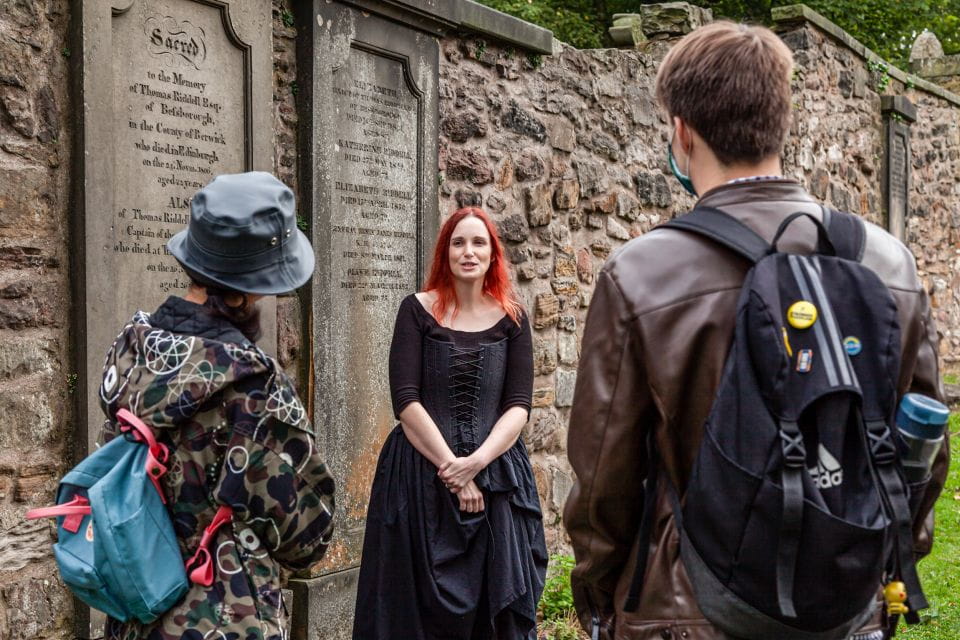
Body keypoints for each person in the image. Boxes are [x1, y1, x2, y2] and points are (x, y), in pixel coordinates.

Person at [563, 21, 948, 640]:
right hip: (848, 610)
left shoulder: (640, 273)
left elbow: (604, 482)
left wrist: (601, 596)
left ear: (682, 133)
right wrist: (875, 565)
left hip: (686, 610)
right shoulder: (887, 262)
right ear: (782, 121)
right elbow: (922, 451)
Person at [97, 172, 336, 640]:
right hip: (226, 616)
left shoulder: (130, 352)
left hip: (136, 606)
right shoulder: (254, 389)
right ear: (246, 289)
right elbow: (309, 535)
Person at [353, 206, 547, 639]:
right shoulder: (416, 310)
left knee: (490, 608)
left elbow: (518, 405)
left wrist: (476, 462)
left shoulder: (513, 318)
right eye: (459, 242)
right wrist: (454, 472)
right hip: (418, 479)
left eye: (479, 242)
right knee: (412, 609)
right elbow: (406, 401)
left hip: (495, 478)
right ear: (445, 251)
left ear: (493, 254)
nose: (469, 251)